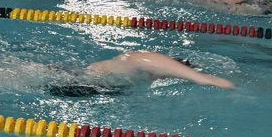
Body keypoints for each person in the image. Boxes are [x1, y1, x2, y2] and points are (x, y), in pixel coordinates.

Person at [75, 51, 235, 91]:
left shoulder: (135, 80)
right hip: (74, 81)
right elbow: (139, 58)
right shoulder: (129, 66)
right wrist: (199, 78)